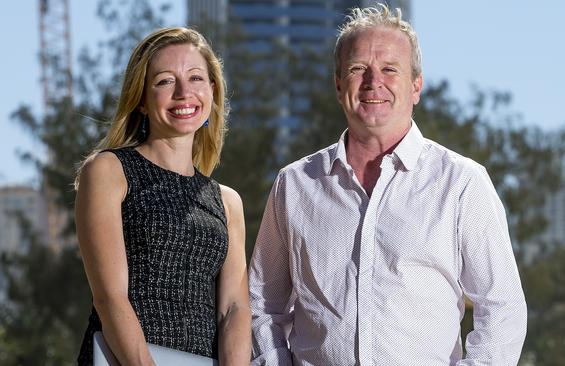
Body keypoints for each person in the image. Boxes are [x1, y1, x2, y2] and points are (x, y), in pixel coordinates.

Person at [249, 5, 527, 366]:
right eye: (357, 69)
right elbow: (263, 302)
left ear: (416, 86)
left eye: (389, 69)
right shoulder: (295, 185)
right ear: (338, 85)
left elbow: (501, 308)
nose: (372, 81)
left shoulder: (461, 183)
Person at [75, 27, 250, 365]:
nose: (184, 92)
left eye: (196, 78)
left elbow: (234, 309)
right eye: (165, 81)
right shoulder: (109, 171)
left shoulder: (227, 202)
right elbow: (110, 297)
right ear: (141, 98)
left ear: (212, 91)